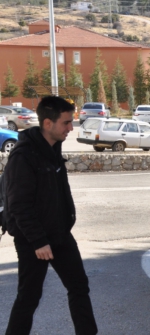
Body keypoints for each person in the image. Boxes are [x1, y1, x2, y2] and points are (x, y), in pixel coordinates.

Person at [3, 96, 98, 335]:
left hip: (60, 234)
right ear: (48, 123)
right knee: (29, 297)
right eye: (66, 123)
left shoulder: (54, 149)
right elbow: (19, 206)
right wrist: (38, 241)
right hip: (33, 240)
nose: (70, 128)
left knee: (79, 287)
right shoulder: (23, 157)